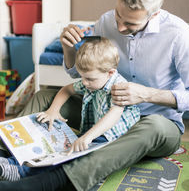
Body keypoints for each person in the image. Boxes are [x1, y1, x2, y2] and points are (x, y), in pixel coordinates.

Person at [0, 0, 189, 191]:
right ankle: (8, 156)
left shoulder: (180, 36)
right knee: (44, 97)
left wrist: (146, 94)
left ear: (154, 14)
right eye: (118, 15)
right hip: (104, 112)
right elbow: (82, 75)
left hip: (157, 125)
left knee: (153, 125)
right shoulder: (105, 22)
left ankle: (45, 182)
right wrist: (69, 49)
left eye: (130, 23)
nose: (119, 26)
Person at [0, 38, 140, 182]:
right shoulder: (93, 80)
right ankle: (12, 161)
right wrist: (53, 110)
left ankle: (22, 172)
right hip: (96, 132)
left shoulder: (120, 86)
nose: (84, 83)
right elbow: (67, 89)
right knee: (58, 146)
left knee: (71, 156)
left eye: (89, 79)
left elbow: (114, 114)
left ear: (110, 73)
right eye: (82, 77)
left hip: (113, 137)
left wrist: (87, 137)